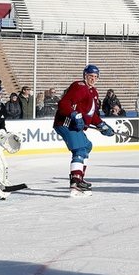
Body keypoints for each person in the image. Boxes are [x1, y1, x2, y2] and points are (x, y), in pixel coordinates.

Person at [53, 65, 114, 196]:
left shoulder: (93, 92)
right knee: (79, 150)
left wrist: (101, 125)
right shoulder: (79, 86)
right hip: (66, 123)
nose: (93, 79)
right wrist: (74, 114)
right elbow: (63, 104)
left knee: (87, 146)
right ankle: (75, 182)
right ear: (85, 76)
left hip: (74, 125)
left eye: (95, 76)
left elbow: (91, 115)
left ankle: (79, 178)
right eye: (90, 76)